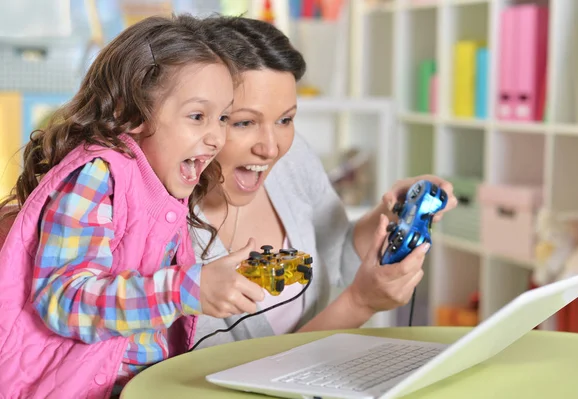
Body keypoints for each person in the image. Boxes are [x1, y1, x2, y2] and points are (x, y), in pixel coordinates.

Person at [0, 14, 265, 398]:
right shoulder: (96, 176)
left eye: (223, 117)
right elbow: (63, 299)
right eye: (197, 116)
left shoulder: (162, 185)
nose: (216, 137)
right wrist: (185, 289)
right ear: (131, 114)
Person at [183, 16, 457, 350]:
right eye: (244, 123)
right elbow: (226, 380)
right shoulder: (168, 230)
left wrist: (392, 212)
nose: (271, 148)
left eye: (285, 119)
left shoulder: (292, 158)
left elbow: (336, 253)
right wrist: (360, 304)